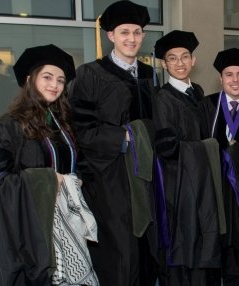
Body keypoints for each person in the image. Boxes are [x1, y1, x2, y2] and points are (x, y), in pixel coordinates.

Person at [0, 44, 99, 285]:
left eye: (61, 80)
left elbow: (80, 165)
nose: (55, 85)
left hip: (69, 225)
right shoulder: (5, 128)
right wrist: (50, 180)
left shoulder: (64, 127)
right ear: (30, 79)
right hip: (30, 231)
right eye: (47, 77)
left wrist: (79, 178)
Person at [68, 1, 159, 285]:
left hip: (144, 174)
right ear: (111, 36)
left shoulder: (148, 75)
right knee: (119, 247)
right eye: (124, 32)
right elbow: (79, 128)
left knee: (147, 243)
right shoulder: (90, 74)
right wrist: (124, 137)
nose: (131, 38)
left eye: (137, 32)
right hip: (110, 176)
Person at [152, 30, 221, 286]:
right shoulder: (163, 98)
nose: (180, 63)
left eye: (184, 57)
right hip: (178, 181)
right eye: (173, 58)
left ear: (193, 60)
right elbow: (167, 147)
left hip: (203, 178)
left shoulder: (198, 92)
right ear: (164, 63)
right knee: (186, 235)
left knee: (205, 232)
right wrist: (206, 148)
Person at [201, 48, 239, 286]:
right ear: (220, 78)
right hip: (212, 188)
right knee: (214, 240)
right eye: (229, 74)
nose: (235, 80)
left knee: (237, 240)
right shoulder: (206, 106)